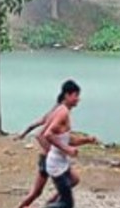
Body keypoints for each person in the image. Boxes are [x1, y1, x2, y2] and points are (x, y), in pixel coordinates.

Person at [38, 80, 95, 208]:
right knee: (67, 204)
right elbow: (47, 134)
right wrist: (67, 149)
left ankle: (50, 204)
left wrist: (87, 140)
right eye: (76, 95)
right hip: (56, 165)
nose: (78, 99)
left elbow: (68, 139)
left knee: (73, 181)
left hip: (62, 163)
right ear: (67, 95)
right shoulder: (62, 112)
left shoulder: (63, 111)